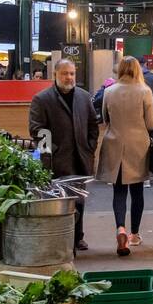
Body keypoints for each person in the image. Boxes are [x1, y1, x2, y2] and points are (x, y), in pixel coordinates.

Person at [29, 59, 100, 251]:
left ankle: (78, 237)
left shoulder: (84, 97)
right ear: (55, 75)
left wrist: (89, 147)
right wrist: (51, 152)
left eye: (72, 73)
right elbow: (36, 130)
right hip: (56, 161)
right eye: (64, 73)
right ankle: (60, 238)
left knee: (80, 200)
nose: (69, 77)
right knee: (59, 202)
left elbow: (93, 125)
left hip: (81, 158)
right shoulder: (42, 99)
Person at [96, 57, 153, 256]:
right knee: (138, 191)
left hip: (114, 144)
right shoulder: (145, 91)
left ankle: (120, 228)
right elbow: (151, 124)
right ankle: (135, 234)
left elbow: (105, 119)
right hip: (138, 146)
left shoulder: (109, 91)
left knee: (119, 192)